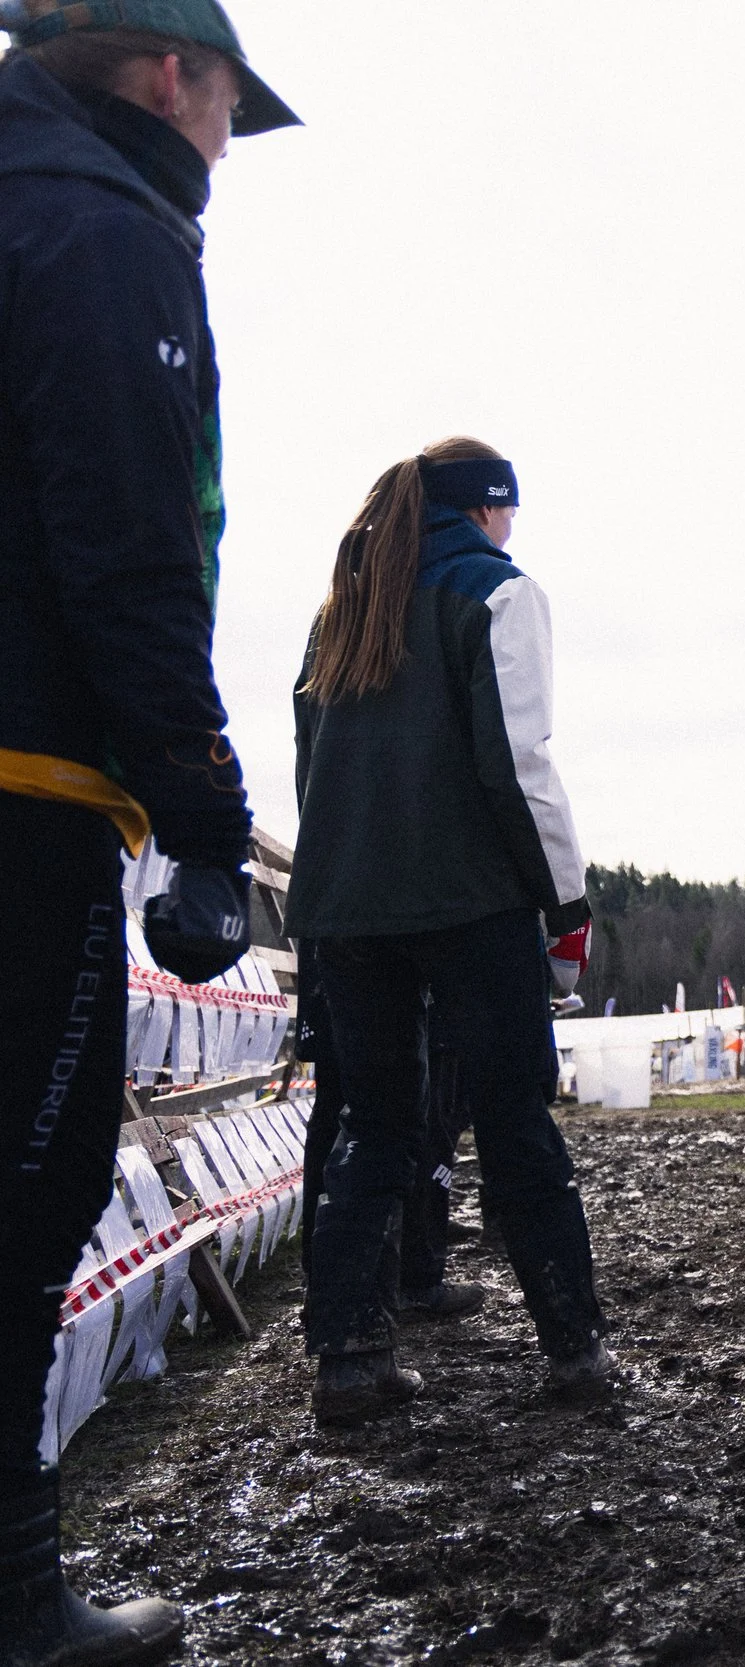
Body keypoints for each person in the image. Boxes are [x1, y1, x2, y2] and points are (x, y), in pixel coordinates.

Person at [0, 5, 296, 1661]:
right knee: (27, 1194)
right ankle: (14, 1603)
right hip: (23, 786)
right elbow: (125, 535)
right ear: (173, 73)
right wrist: (202, 812)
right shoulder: (104, 231)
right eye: (232, 115)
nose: (226, 155)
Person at [288, 437, 608, 1423]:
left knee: (369, 1125)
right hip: (469, 897)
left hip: (345, 908)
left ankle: (347, 1354)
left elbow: (311, 775)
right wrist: (566, 900)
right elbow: (518, 763)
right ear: (489, 507)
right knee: (516, 1114)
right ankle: (571, 1345)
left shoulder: (338, 616)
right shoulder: (499, 593)